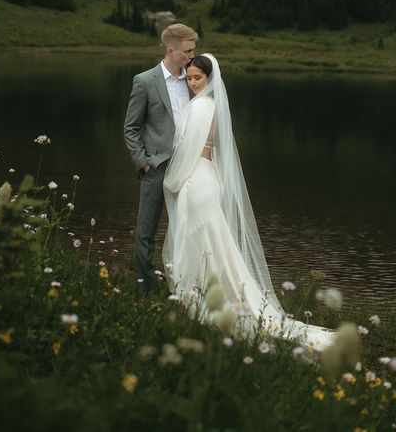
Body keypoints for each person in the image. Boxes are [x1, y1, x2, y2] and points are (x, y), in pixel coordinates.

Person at [162, 53, 334, 350]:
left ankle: (200, 295)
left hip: (196, 178)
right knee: (211, 239)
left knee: (200, 237)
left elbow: (187, 152)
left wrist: (171, 182)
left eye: (197, 78)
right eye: (188, 78)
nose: (191, 83)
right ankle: (210, 290)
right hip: (209, 177)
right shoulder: (215, 106)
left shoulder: (200, 106)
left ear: (209, 78)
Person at [124, 23, 198, 291]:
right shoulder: (144, 81)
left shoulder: (194, 79)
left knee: (187, 229)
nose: (192, 56)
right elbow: (130, 128)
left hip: (189, 167)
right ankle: (146, 288)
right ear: (170, 49)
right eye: (187, 51)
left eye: (194, 49)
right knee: (146, 232)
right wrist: (143, 163)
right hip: (156, 166)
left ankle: (182, 287)